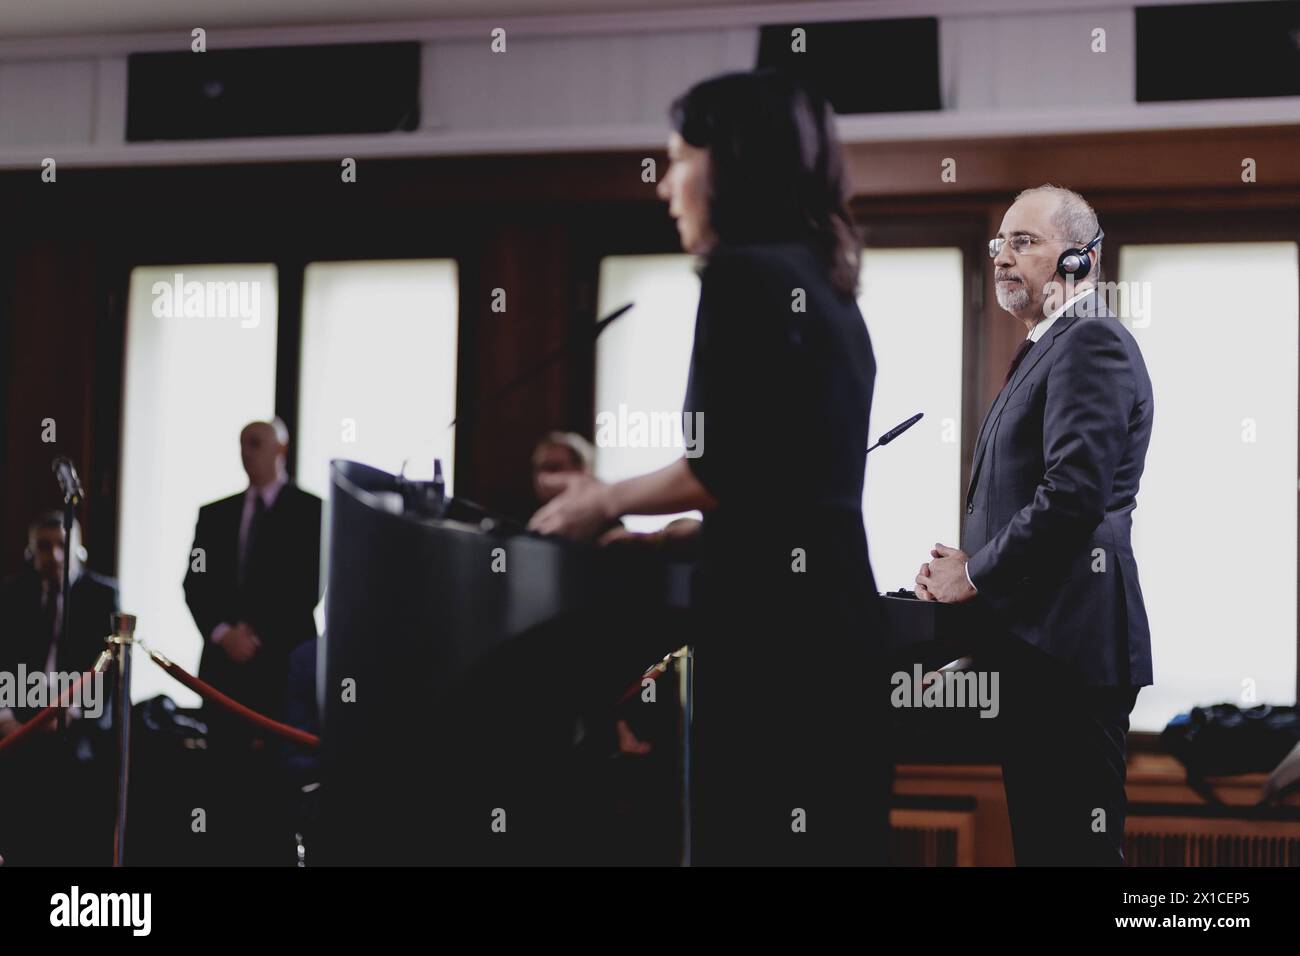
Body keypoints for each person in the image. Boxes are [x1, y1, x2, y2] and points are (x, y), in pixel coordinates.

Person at [530, 69, 892, 865]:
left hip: (769, 644)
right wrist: (666, 542)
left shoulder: (742, 274)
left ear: (728, 164)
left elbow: (721, 464)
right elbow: (789, 488)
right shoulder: (831, 288)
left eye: (676, 159)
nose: (665, 187)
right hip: (839, 625)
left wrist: (601, 501)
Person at [916, 185, 1154, 865]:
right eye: (999, 243)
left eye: (1024, 242)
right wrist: (966, 578)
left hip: (1071, 649)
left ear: (1081, 259)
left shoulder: (1093, 340)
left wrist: (976, 573)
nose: (1002, 257)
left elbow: (1072, 497)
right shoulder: (1046, 348)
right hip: (1033, 649)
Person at [182, 417, 322, 863]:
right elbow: (195, 583)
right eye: (243, 443)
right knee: (223, 787)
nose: (247, 451)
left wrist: (255, 638)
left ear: (281, 449)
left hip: (281, 669)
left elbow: (308, 587)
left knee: (272, 792)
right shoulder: (215, 513)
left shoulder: (312, 511)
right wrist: (226, 635)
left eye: (257, 443)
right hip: (224, 672)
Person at [0, 511, 119, 864]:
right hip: (20, 718)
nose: (53, 555)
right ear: (30, 552)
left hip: (77, 723)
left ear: (78, 549)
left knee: (75, 770)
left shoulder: (101, 596)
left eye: (62, 546)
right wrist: (6, 717)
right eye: (44, 546)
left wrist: (69, 713)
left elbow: (106, 674)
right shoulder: (13, 594)